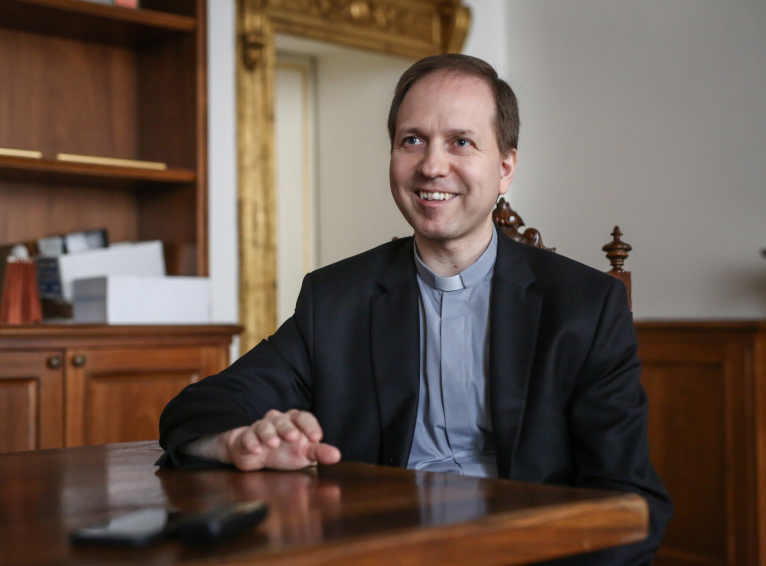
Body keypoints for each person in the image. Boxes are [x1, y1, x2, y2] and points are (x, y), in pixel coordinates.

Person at [159, 53, 672, 564]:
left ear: (505, 169)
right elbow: (203, 404)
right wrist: (236, 441)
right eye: (412, 140)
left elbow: (627, 499)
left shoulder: (584, 306)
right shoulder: (335, 298)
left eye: (461, 142)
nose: (431, 165)